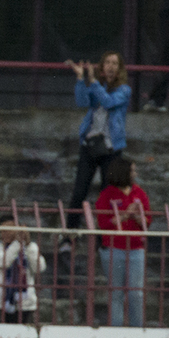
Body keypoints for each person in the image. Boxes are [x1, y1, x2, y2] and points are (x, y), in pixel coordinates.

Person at [65, 53, 131, 228]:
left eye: (114, 63)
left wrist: (94, 82)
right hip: (91, 144)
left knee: (107, 194)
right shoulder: (98, 86)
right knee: (79, 191)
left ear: (119, 68)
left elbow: (109, 102)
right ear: (102, 67)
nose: (110, 66)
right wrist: (81, 79)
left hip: (111, 148)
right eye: (107, 62)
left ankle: (104, 236)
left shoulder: (124, 90)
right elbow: (82, 102)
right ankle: (70, 234)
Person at [94, 155, 149, 328]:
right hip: (113, 248)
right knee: (115, 292)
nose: (135, 174)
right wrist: (125, 215)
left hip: (136, 248)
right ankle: (115, 329)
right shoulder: (107, 195)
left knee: (136, 293)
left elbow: (148, 221)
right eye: (132, 170)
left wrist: (138, 216)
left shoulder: (139, 192)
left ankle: (137, 328)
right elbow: (103, 223)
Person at [0, 216, 45, 324]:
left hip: (26, 303)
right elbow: (3, 262)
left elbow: (39, 267)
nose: (7, 233)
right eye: (3, 229)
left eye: (11, 228)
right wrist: (18, 243)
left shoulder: (30, 247)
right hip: (1, 302)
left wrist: (28, 245)